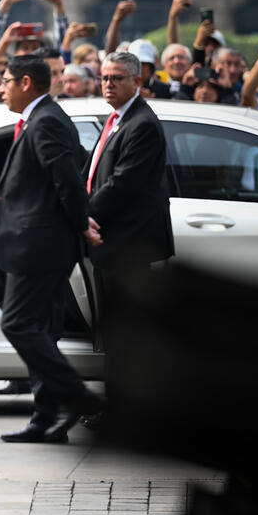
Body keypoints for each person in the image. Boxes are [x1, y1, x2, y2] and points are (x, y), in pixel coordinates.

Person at [0, 56, 101, 444]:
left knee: (17, 324)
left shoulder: (48, 120)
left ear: (25, 82)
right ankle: (47, 419)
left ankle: (77, 396)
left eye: (5, 81)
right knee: (43, 329)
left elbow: (67, 181)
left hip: (40, 244)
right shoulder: (41, 118)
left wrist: (80, 222)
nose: (0, 88)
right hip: (43, 242)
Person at [86, 50, 174, 326]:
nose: (108, 84)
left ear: (136, 81)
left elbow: (122, 184)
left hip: (128, 243)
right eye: (104, 78)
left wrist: (83, 214)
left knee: (127, 327)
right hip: (111, 239)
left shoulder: (142, 124)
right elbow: (94, 170)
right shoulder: (117, 118)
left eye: (116, 78)